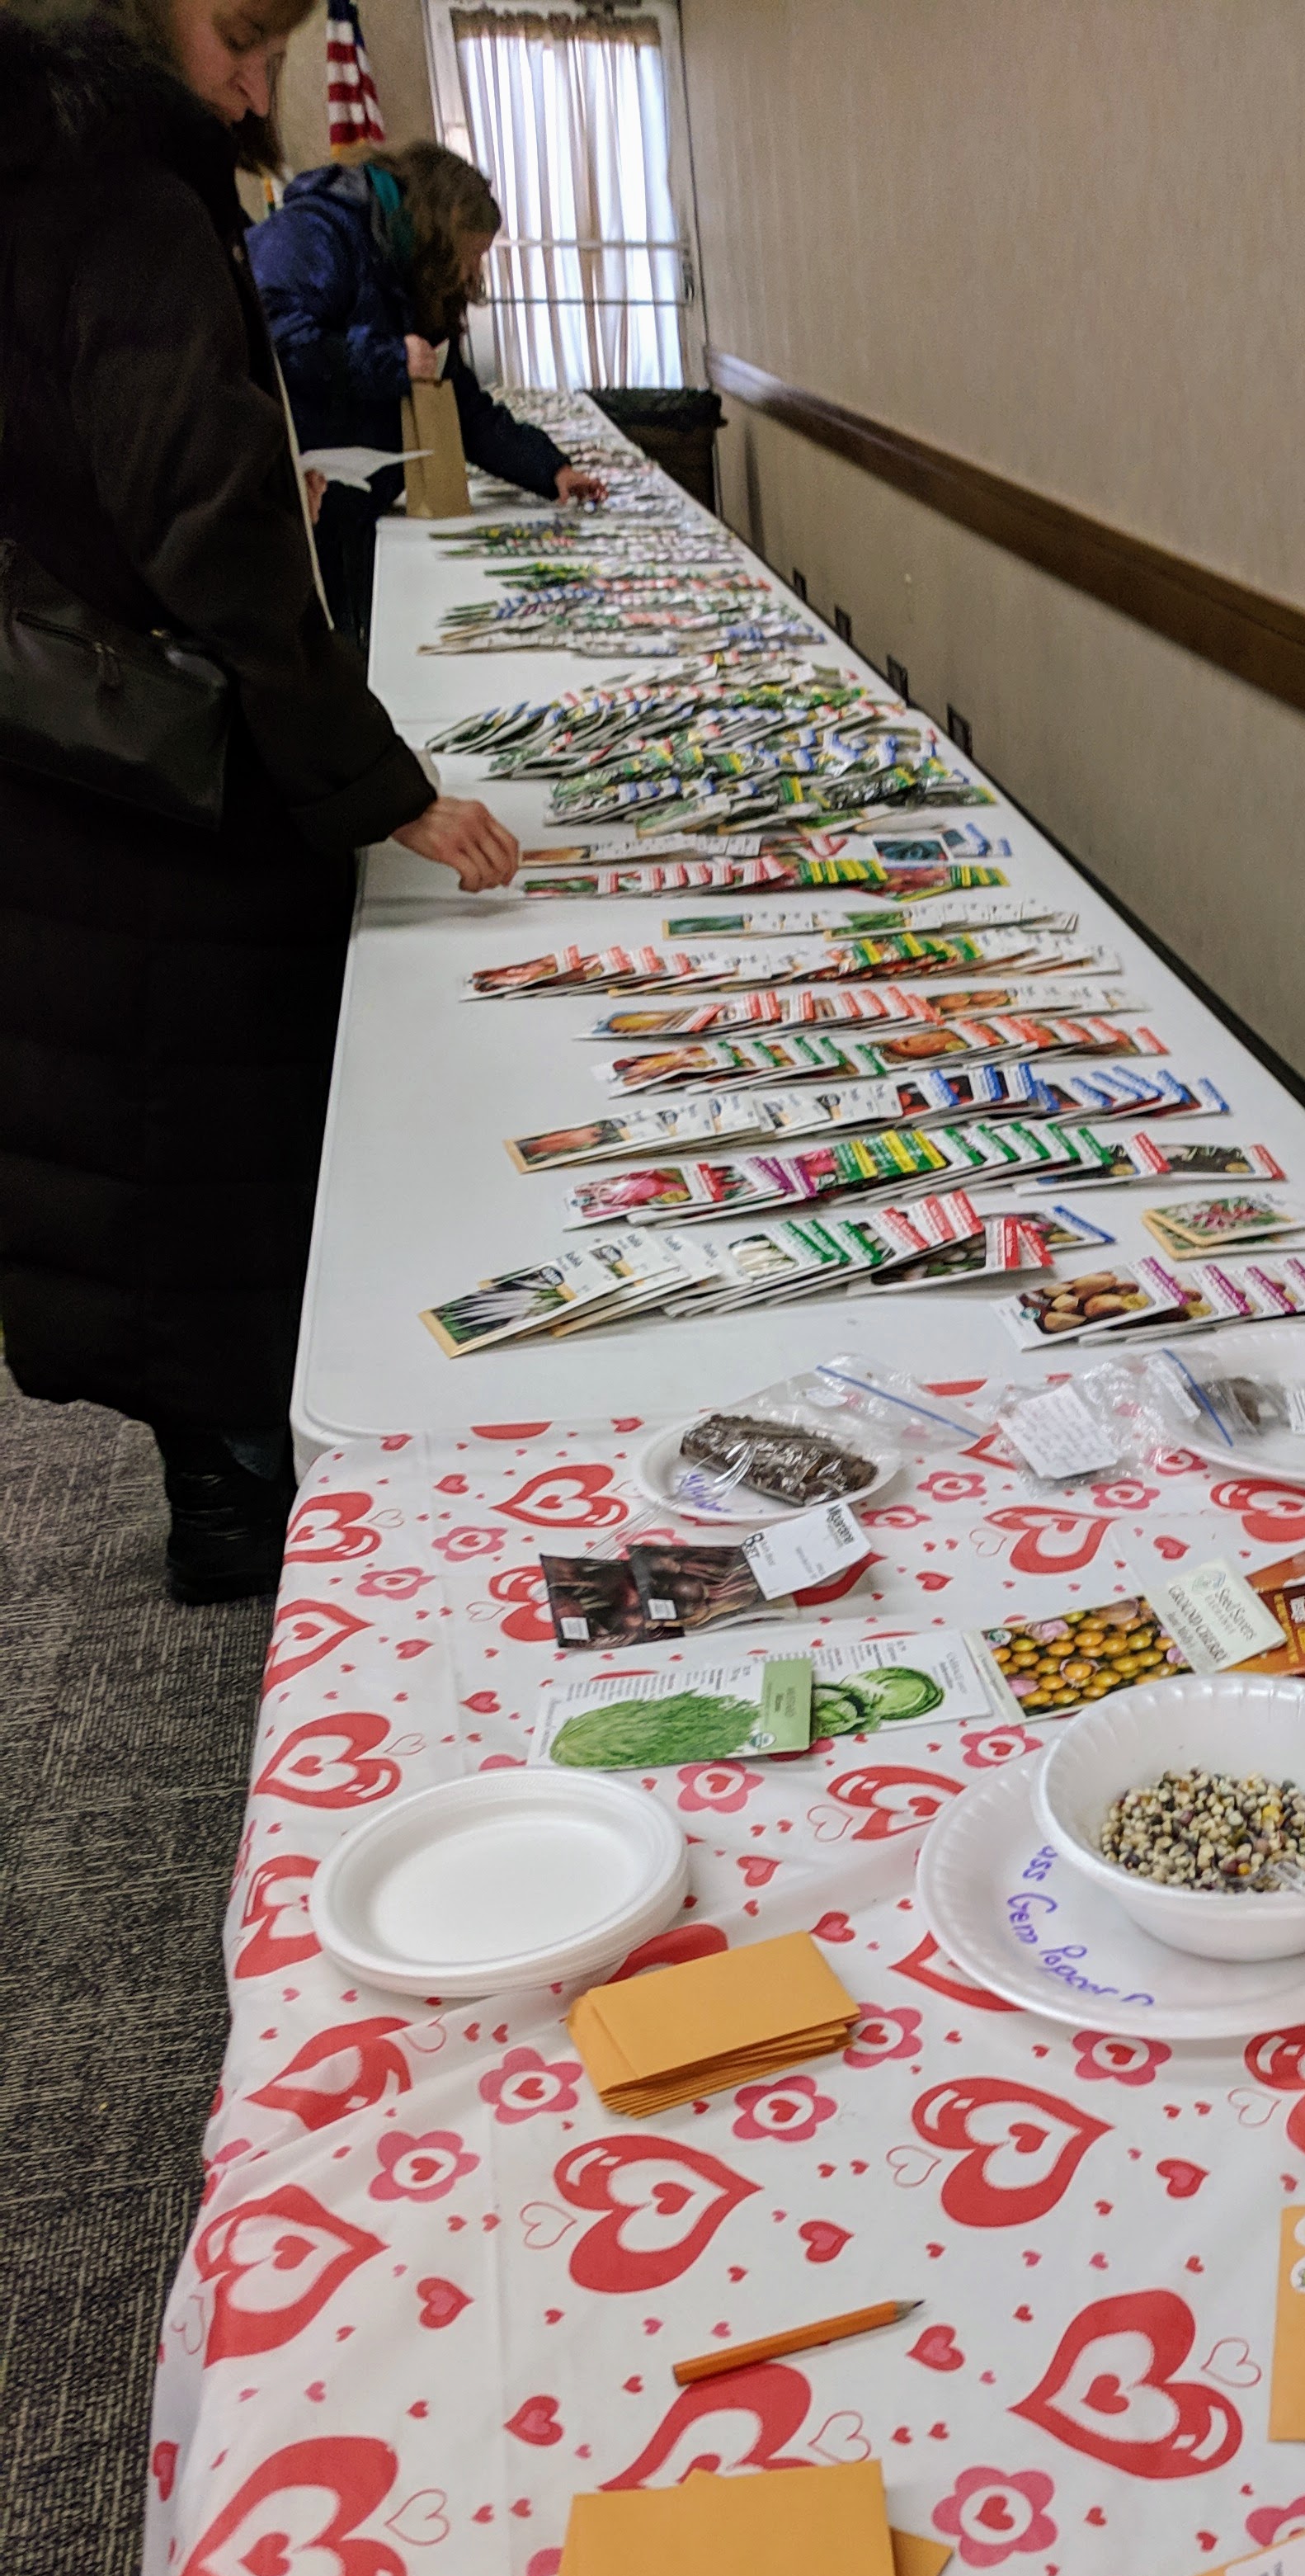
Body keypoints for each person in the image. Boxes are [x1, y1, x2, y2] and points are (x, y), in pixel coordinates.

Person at [0, 0, 523, 1602]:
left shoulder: (58, 168)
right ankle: (245, 1501)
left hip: (69, 745)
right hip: (141, 765)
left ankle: (231, 1475)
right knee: (204, 1109)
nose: (256, 83)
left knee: (148, 1124)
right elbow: (215, 536)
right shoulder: (116, 190)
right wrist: (379, 780)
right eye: (242, 33)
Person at [251, 139, 606, 639]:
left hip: (361, 506)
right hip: (302, 510)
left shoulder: (411, 269)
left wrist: (550, 470)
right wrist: (390, 359)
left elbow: (457, 401)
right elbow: (272, 339)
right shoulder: (318, 230)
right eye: (471, 257)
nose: (472, 274)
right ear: (440, 231)